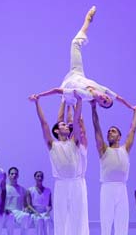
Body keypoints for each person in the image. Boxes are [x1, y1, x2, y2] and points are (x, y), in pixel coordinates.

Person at [29, 6, 135, 111]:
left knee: (67, 103)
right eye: (107, 98)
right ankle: (88, 19)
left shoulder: (86, 95)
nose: (104, 98)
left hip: (68, 86)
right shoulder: (103, 90)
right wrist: (131, 107)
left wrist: (38, 95)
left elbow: (57, 90)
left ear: (99, 103)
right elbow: (119, 98)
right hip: (77, 73)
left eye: (104, 102)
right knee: (75, 43)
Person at [30, 79, 88, 235]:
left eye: (65, 125)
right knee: (61, 219)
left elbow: (76, 120)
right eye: (62, 125)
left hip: (75, 184)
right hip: (61, 185)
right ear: (56, 131)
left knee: (77, 217)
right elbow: (44, 124)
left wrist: (79, 101)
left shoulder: (74, 141)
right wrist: (37, 103)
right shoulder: (52, 145)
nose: (65, 125)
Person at [91, 99, 136, 235]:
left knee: (122, 224)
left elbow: (133, 130)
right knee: (106, 224)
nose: (109, 133)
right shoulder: (103, 150)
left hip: (122, 189)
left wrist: (135, 112)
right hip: (107, 188)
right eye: (109, 131)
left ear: (119, 136)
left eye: (113, 131)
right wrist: (93, 108)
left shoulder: (125, 149)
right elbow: (96, 127)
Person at [4, 167, 31, 235]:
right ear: (8, 175)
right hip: (6, 213)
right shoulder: (4, 189)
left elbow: (25, 205)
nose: (14, 175)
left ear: (18, 175)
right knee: (10, 217)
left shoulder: (22, 189)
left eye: (16, 174)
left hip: (18, 213)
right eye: (12, 174)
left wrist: (26, 209)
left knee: (26, 216)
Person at [26, 171, 52, 235]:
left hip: (45, 212)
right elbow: (29, 205)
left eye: (41, 176)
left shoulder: (48, 190)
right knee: (39, 220)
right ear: (35, 177)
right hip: (35, 212)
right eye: (38, 176)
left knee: (47, 220)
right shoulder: (30, 190)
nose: (40, 178)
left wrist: (48, 212)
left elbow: (50, 205)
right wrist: (36, 212)